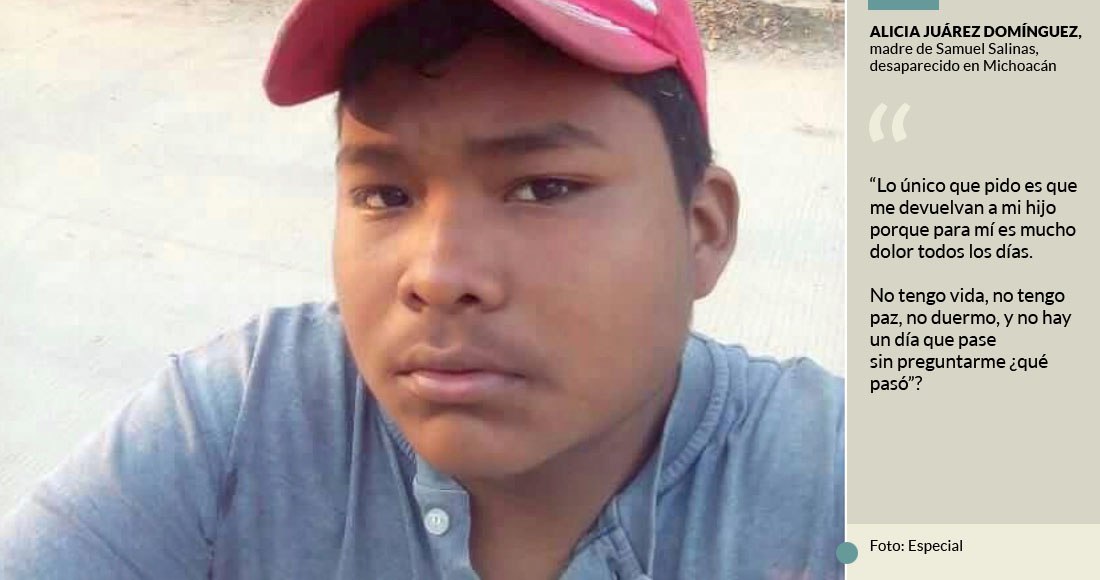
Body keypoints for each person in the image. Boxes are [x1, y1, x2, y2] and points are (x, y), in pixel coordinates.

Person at [0, 0, 844, 578]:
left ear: (703, 229)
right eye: (386, 195)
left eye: (543, 187)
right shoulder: (245, 421)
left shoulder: (842, 482)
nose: (436, 274)